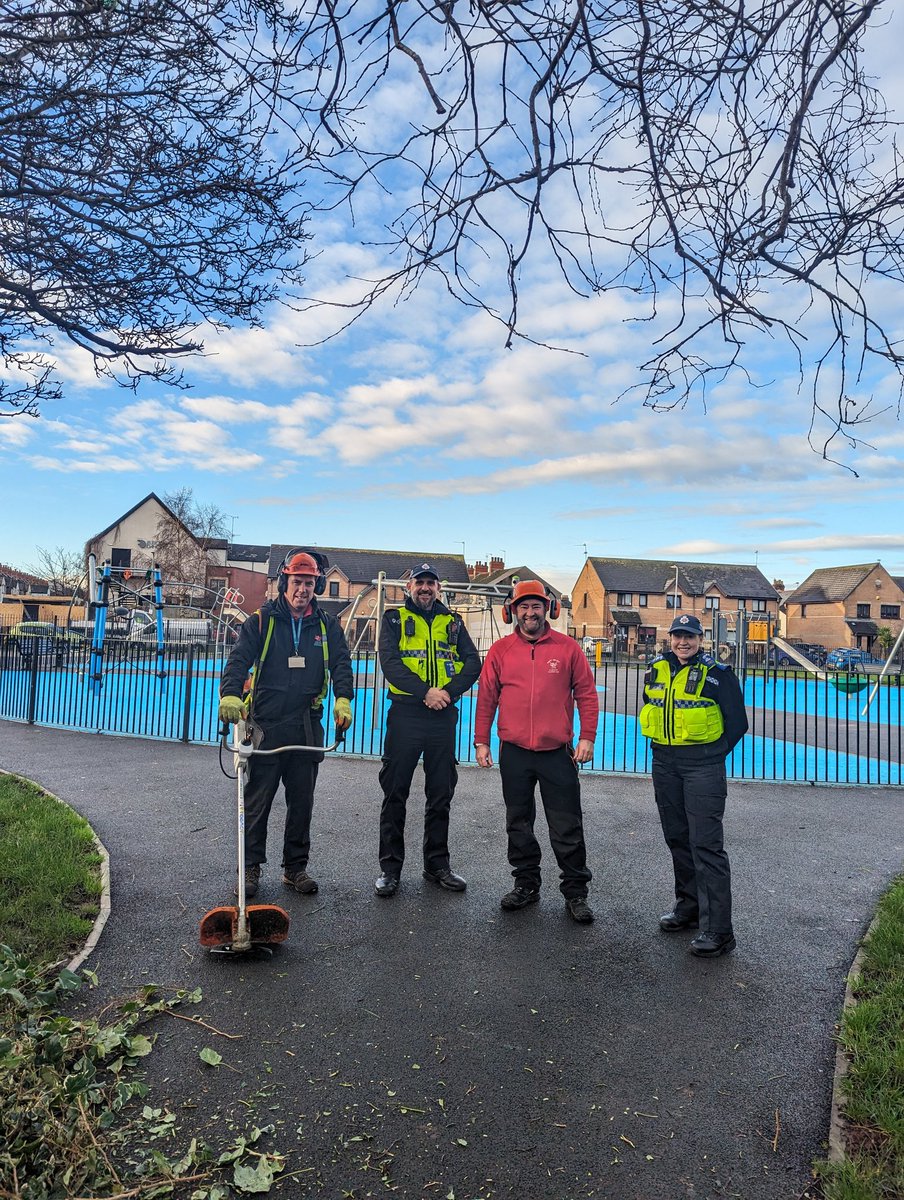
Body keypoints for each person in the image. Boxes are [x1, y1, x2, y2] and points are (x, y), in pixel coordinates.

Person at [219, 550, 354, 898]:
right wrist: (230, 694)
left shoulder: (326, 626)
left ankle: (295, 869)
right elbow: (238, 663)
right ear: (285, 583)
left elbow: (341, 664)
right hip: (265, 725)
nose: (303, 589)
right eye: (297, 582)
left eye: (309, 583)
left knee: (301, 802)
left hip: (306, 726)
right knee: (257, 801)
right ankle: (249, 868)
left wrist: (343, 699)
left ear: (317, 585)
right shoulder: (261, 622)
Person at [474, 580, 598, 923]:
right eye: (524, 607)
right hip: (514, 753)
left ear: (549, 609)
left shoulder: (568, 648)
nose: (531, 613)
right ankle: (526, 885)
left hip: (557, 753)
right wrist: (481, 740)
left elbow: (587, 694)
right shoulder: (500, 651)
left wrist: (587, 736)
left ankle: (575, 893)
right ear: (512, 611)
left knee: (567, 826)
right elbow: (487, 698)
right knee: (518, 823)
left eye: (537, 606)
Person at [639, 613, 748, 957]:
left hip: (702, 766)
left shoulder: (718, 674)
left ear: (701, 640)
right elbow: (652, 707)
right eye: (677, 636)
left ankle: (719, 930)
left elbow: (737, 723)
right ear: (669, 638)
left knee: (706, 845)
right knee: (677, 838)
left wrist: (712, 754)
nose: (683, 642)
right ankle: (688, 908)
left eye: (689, 636)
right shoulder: (655, 669)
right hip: (665, 764)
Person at [375, 563, 481, 897]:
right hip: (406, 715)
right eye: (419, 582)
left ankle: (437, 865)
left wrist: (446, 693)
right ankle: (390, 870)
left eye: (430, 583)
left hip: (442, 716)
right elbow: (390, 663)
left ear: (438, 588)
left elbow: (473, 663)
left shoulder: (454, 622)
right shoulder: (393, 619)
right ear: (409, 587)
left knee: (441, 793)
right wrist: (426, 692)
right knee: (395, 793)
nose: (425, 587)